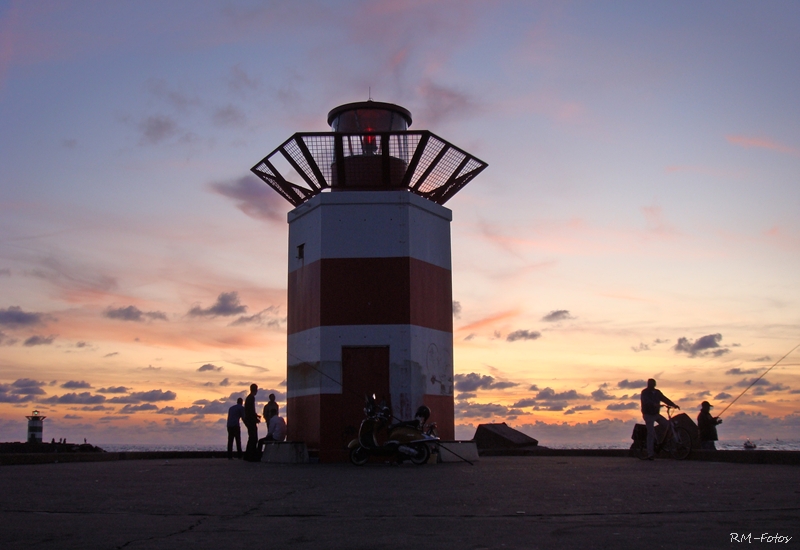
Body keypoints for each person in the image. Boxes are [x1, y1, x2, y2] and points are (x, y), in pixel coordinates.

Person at [640, 379, 679, 460]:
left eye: (653, 384)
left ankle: (664, 444)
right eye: (650, 384)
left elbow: (664, 399)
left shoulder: (657, 392)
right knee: (650, 433)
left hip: (656, 414)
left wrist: (673, 405)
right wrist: (654, 404)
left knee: (667, 425)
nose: (652, 385)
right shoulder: (644, 392)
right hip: (648, 414)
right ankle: (650, 453)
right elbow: (646, 401)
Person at [243, 384, 261, 461]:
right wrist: (255, 418)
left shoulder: (249, 398)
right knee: (253, 438)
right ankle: (251, 455)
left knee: (252, 438)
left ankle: (248, 455)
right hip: (251, 421)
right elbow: (251, 410)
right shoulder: (251, 398)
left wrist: (256, 416)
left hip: (249, 420)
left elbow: (250, 410)